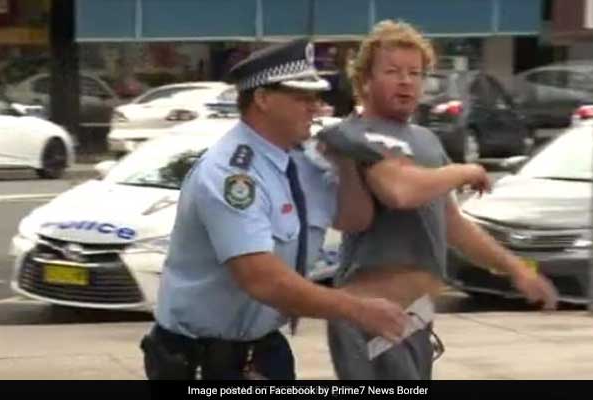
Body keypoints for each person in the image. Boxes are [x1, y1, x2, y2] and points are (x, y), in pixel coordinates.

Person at [139, 38, 411, 380]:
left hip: (265, 351)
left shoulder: (302, 162)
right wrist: (357, 310)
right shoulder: (231, 175)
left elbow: (354, 219)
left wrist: (346, 163)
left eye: (316, 98)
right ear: (263, 99)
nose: (315, 108)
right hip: (203, 359)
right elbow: (262, 279)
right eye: (302, 98)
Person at [320, 20, 559, 380]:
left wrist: (516, 269)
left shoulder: (425, 141)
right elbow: (401, 191)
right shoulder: (354, 136)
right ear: (365, 80)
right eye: (393, 71)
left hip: (417, 316)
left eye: (415, 73)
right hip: (369, 316)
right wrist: (464, 172)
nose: (406, 81)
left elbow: (453, 226)